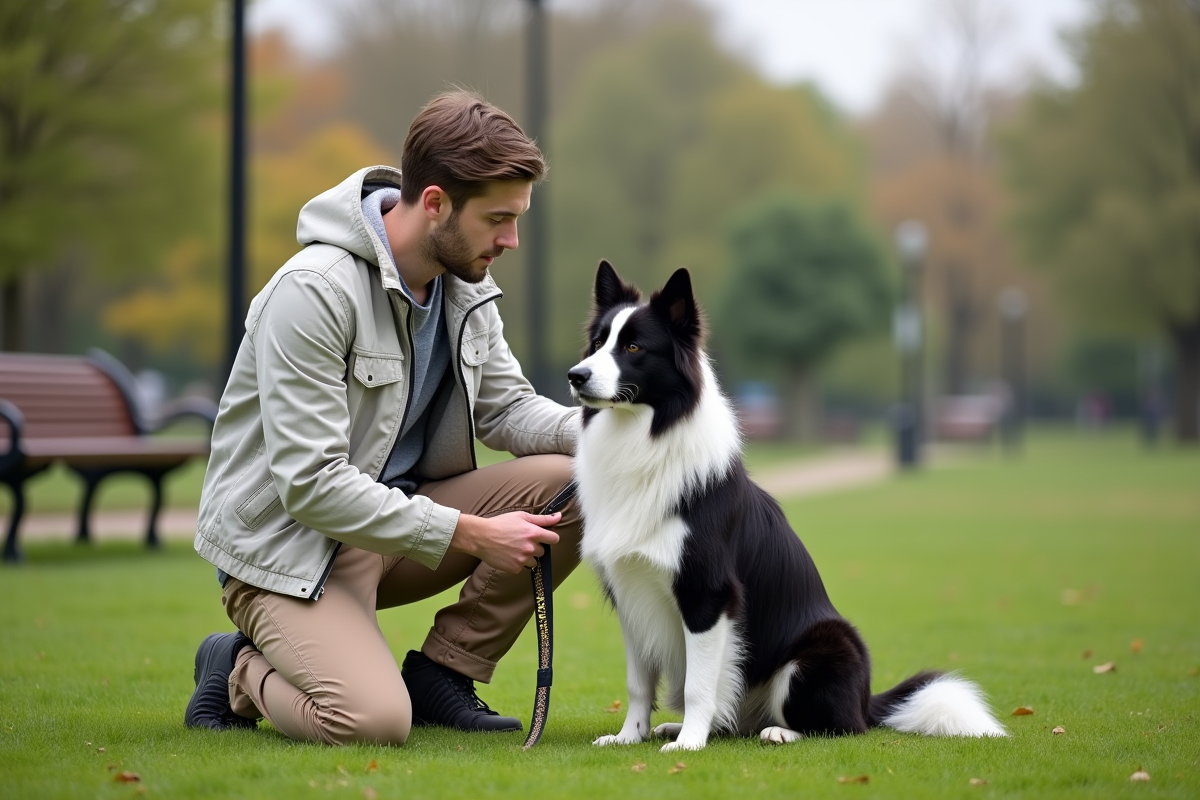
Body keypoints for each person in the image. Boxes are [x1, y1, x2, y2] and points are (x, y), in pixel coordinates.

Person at [183, 91, 582, 746]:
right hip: (290, 551)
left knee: (580, 480)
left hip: (396, 532)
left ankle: (444, 673)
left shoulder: (467, 280)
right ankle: (236, 666)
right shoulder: (314, 291)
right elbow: (310, 484)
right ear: (434, 203)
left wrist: (618, 434)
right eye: (498, 220)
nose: (510, 240)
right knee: (370, 722)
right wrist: (473, 534)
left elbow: (506, 408)